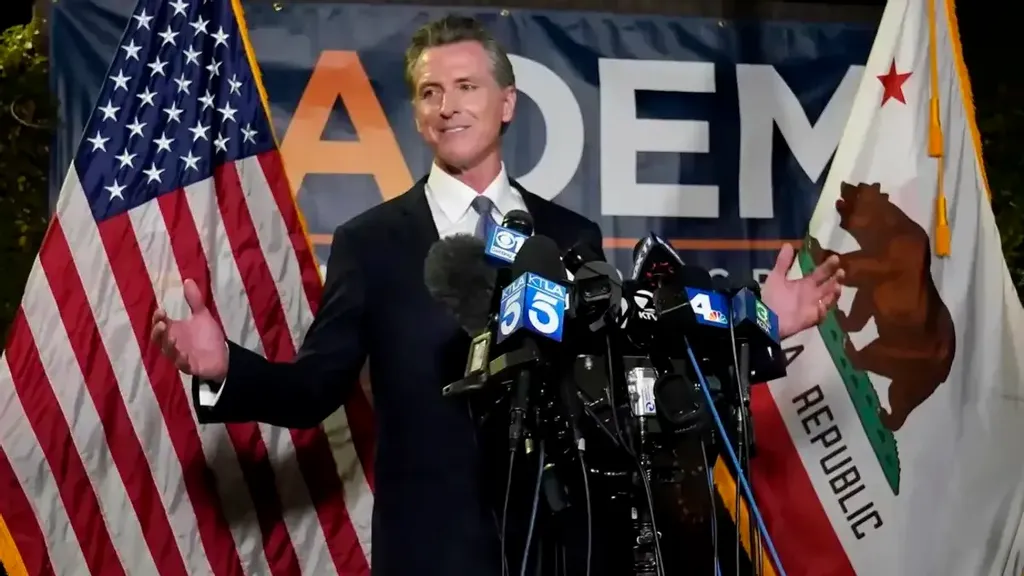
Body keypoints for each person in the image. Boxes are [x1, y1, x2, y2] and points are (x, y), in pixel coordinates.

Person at [150, 14, 843, 576]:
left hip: (561, 552)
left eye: (466, 86)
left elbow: (627, 391)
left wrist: (758, 328)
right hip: (430, 555)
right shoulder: (372, 243)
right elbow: (310, 391)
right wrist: (225, 369)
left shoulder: (570, 235)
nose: (448, 106)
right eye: (430, 92)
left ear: (506, 102)